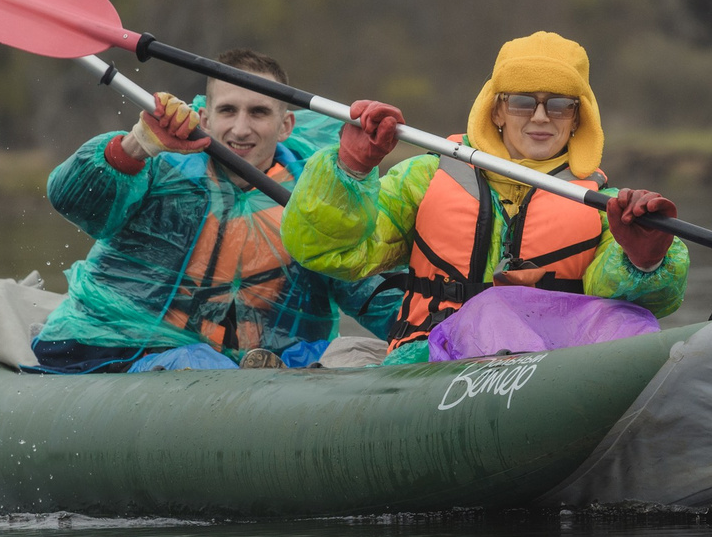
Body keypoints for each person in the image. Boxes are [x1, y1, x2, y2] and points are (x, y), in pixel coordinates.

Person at [281, 31, 688, 362]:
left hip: (558, 366)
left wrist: (644, 260)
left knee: (629, 324)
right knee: (493, 309)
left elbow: (632, 299)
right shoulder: (423, 179)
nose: (541, 117)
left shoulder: (605, 206)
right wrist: (351, 169)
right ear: (497, 111)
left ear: (578, 117)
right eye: (524, 102)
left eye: (560, 105)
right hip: (431, 358)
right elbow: (335, 254)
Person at [30, 49, 399, 372]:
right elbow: (71, 199)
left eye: (258, 112)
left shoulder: (317, 197)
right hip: (139, 352)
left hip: (288, 366)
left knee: (364, 354)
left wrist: (430, 331)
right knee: (204, 364)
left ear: (285, 125)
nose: (241, 128)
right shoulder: (160, 167)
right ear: (204, 118)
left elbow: (367, 285)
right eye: (228, 110)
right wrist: (137, 145)